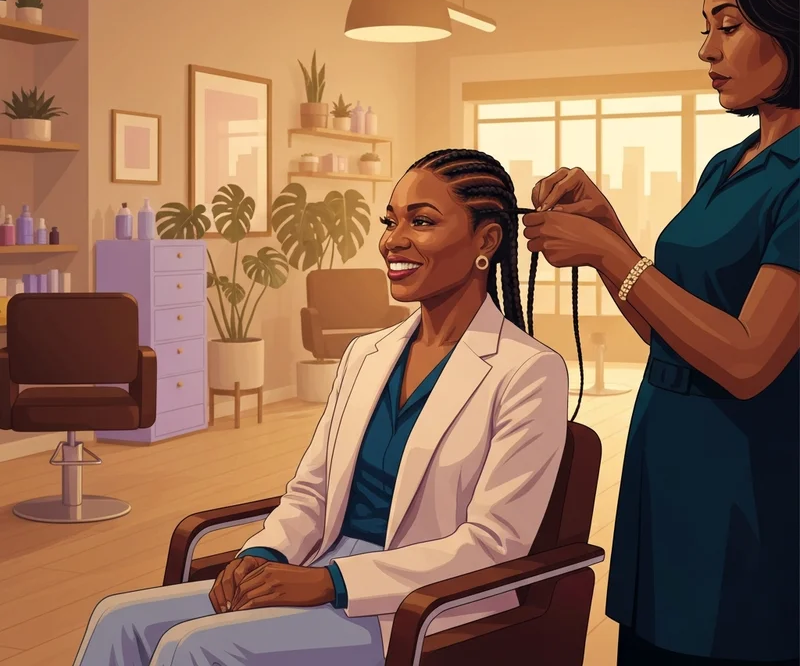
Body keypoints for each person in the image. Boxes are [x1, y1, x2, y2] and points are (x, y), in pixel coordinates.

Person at [73, 150, 569, 666]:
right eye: (390, 221)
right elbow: (312, 490)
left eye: (421, 222)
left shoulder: (527, 371)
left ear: (486, 240)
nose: (392, 240)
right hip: (320, 564)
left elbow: (493, 543)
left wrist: (329, 583)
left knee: (192, 645)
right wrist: (265, 556)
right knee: (118, 618)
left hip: (423, 603)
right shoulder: (367, 354)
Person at [522, 0, 799, 665]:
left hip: (747, 495)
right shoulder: (730, 164)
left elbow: (747, 361)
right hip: (666, 481)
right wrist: (609, 232)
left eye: (730, 24)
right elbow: (671, 326)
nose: (707, 49)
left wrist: (612, 255)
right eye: (706, 26)